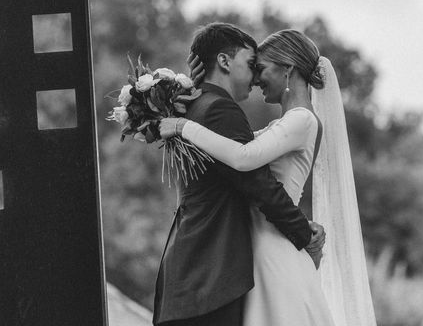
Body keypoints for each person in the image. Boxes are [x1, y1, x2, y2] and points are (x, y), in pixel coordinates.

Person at [161, 29, 377, 326]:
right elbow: (231, 148)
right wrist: (191, 90)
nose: (255, 78)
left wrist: (183, 126)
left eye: (260, 68)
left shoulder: (301, 120)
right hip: (258, 249)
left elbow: (243, 158)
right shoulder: (285, 123)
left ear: (287, 69)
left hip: (273, 248)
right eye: (252, 67)